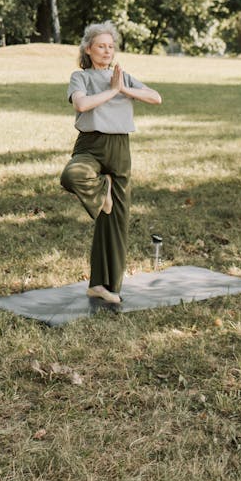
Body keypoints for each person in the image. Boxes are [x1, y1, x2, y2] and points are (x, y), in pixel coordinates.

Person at [60, 22, 161, 304]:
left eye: (111, 46)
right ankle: (102, 189)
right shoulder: (80, 77)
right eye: (101, 46)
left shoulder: (122, 76)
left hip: (119, 147)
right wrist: (113, 91)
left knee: (116, 221)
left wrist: (125, 89)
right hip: (91, 144)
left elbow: (156, 97)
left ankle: (103, 286)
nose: (107, 51)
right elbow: (81, 105)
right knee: (72, 176)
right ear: (88, 49)